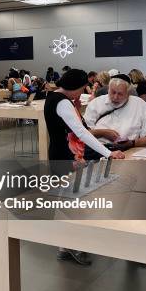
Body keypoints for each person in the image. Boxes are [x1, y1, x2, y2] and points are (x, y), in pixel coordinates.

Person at [44, 69, 124, 265]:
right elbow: (82, 133)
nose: (81, 93)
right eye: (81, 89)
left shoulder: (55, 98)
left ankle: (67, 246)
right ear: (73, 87)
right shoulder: (62, 102)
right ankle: (69, 246)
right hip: (66, 156)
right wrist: (108, 153)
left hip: (63, 154)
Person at [84, 76, 146, 149]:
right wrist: (103, 132)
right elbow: (83, 133)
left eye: (120, 94)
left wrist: (131, 143)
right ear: (108, 90)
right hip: (99, 150)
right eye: (113, 92)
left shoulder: (139, 104)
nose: (115, 97)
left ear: (128, 93)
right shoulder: (96, 103)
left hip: (129, 151)